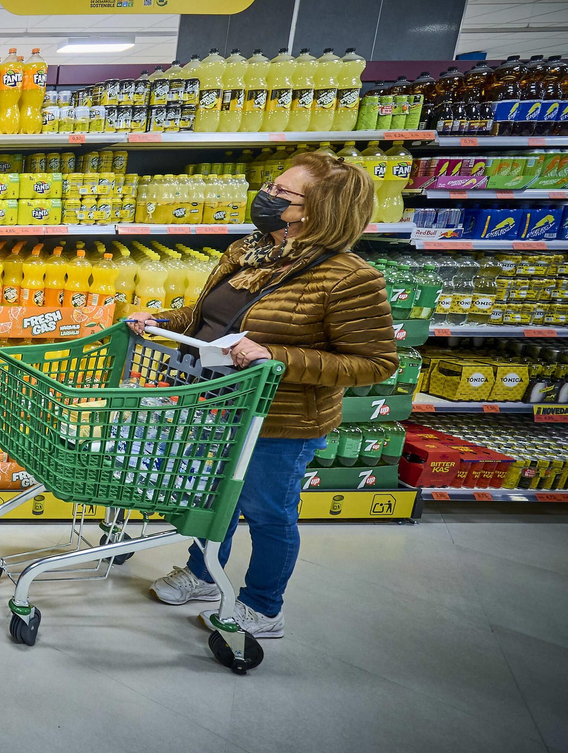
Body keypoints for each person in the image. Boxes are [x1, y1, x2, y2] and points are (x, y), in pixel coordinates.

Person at [128, 149, 396, 637]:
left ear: (315, 212)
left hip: (281, 419)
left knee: (268, 510)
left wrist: (276, 356)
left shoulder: (350, 277)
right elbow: (213, 316)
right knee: (217, 499)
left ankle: (262, 606)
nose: (266, 196)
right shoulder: (249, 250)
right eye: (271, 187)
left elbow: (375, 364)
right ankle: (205, 573)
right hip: (218, 402)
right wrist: (163, 322)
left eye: (281, 193)